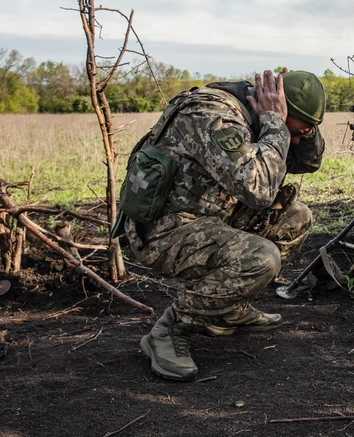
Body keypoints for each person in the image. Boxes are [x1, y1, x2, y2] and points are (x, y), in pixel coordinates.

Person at [122, 69, 326, 381]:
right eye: (293, 131)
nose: (294, 140)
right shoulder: (214, 116)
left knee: (295, 217)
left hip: (208, 217)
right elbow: (259, 189)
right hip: (165, 230)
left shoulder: (258, 115)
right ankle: (169, 330)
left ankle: (227, 306)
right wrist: (274, 122)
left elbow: (307, 163)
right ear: (273, 109)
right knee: (261, 257)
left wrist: (299, 131)